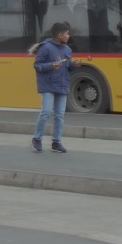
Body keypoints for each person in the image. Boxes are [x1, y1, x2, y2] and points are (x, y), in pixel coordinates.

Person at [31, 21, 79, 153]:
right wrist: (50, 66)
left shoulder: (67, 49)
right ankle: (36, 139)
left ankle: (56, 142)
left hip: (62, 85)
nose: (69, 36)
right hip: (48, 84)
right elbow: (37, 65)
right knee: (46, 111)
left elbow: (68, 66)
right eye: (67, 34)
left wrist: (74, 65)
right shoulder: (45, 47)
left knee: (59, 115)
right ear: (60, 35)